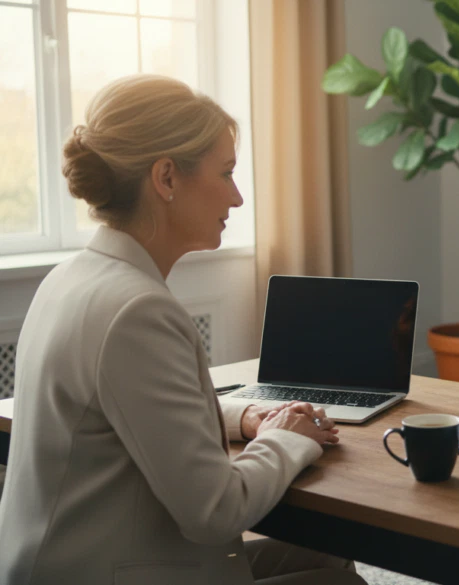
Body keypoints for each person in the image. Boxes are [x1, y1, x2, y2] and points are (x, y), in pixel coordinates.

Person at [0, 74, 366, 585]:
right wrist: (285, 439)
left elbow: (137, 413)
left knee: (327, 556)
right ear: (166, 178)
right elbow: (215, 511)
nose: (237, 198)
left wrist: (247, 418)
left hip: (61, 564)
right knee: (336, 582)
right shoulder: (137, 311)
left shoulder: (72, 277)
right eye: (227, 173)